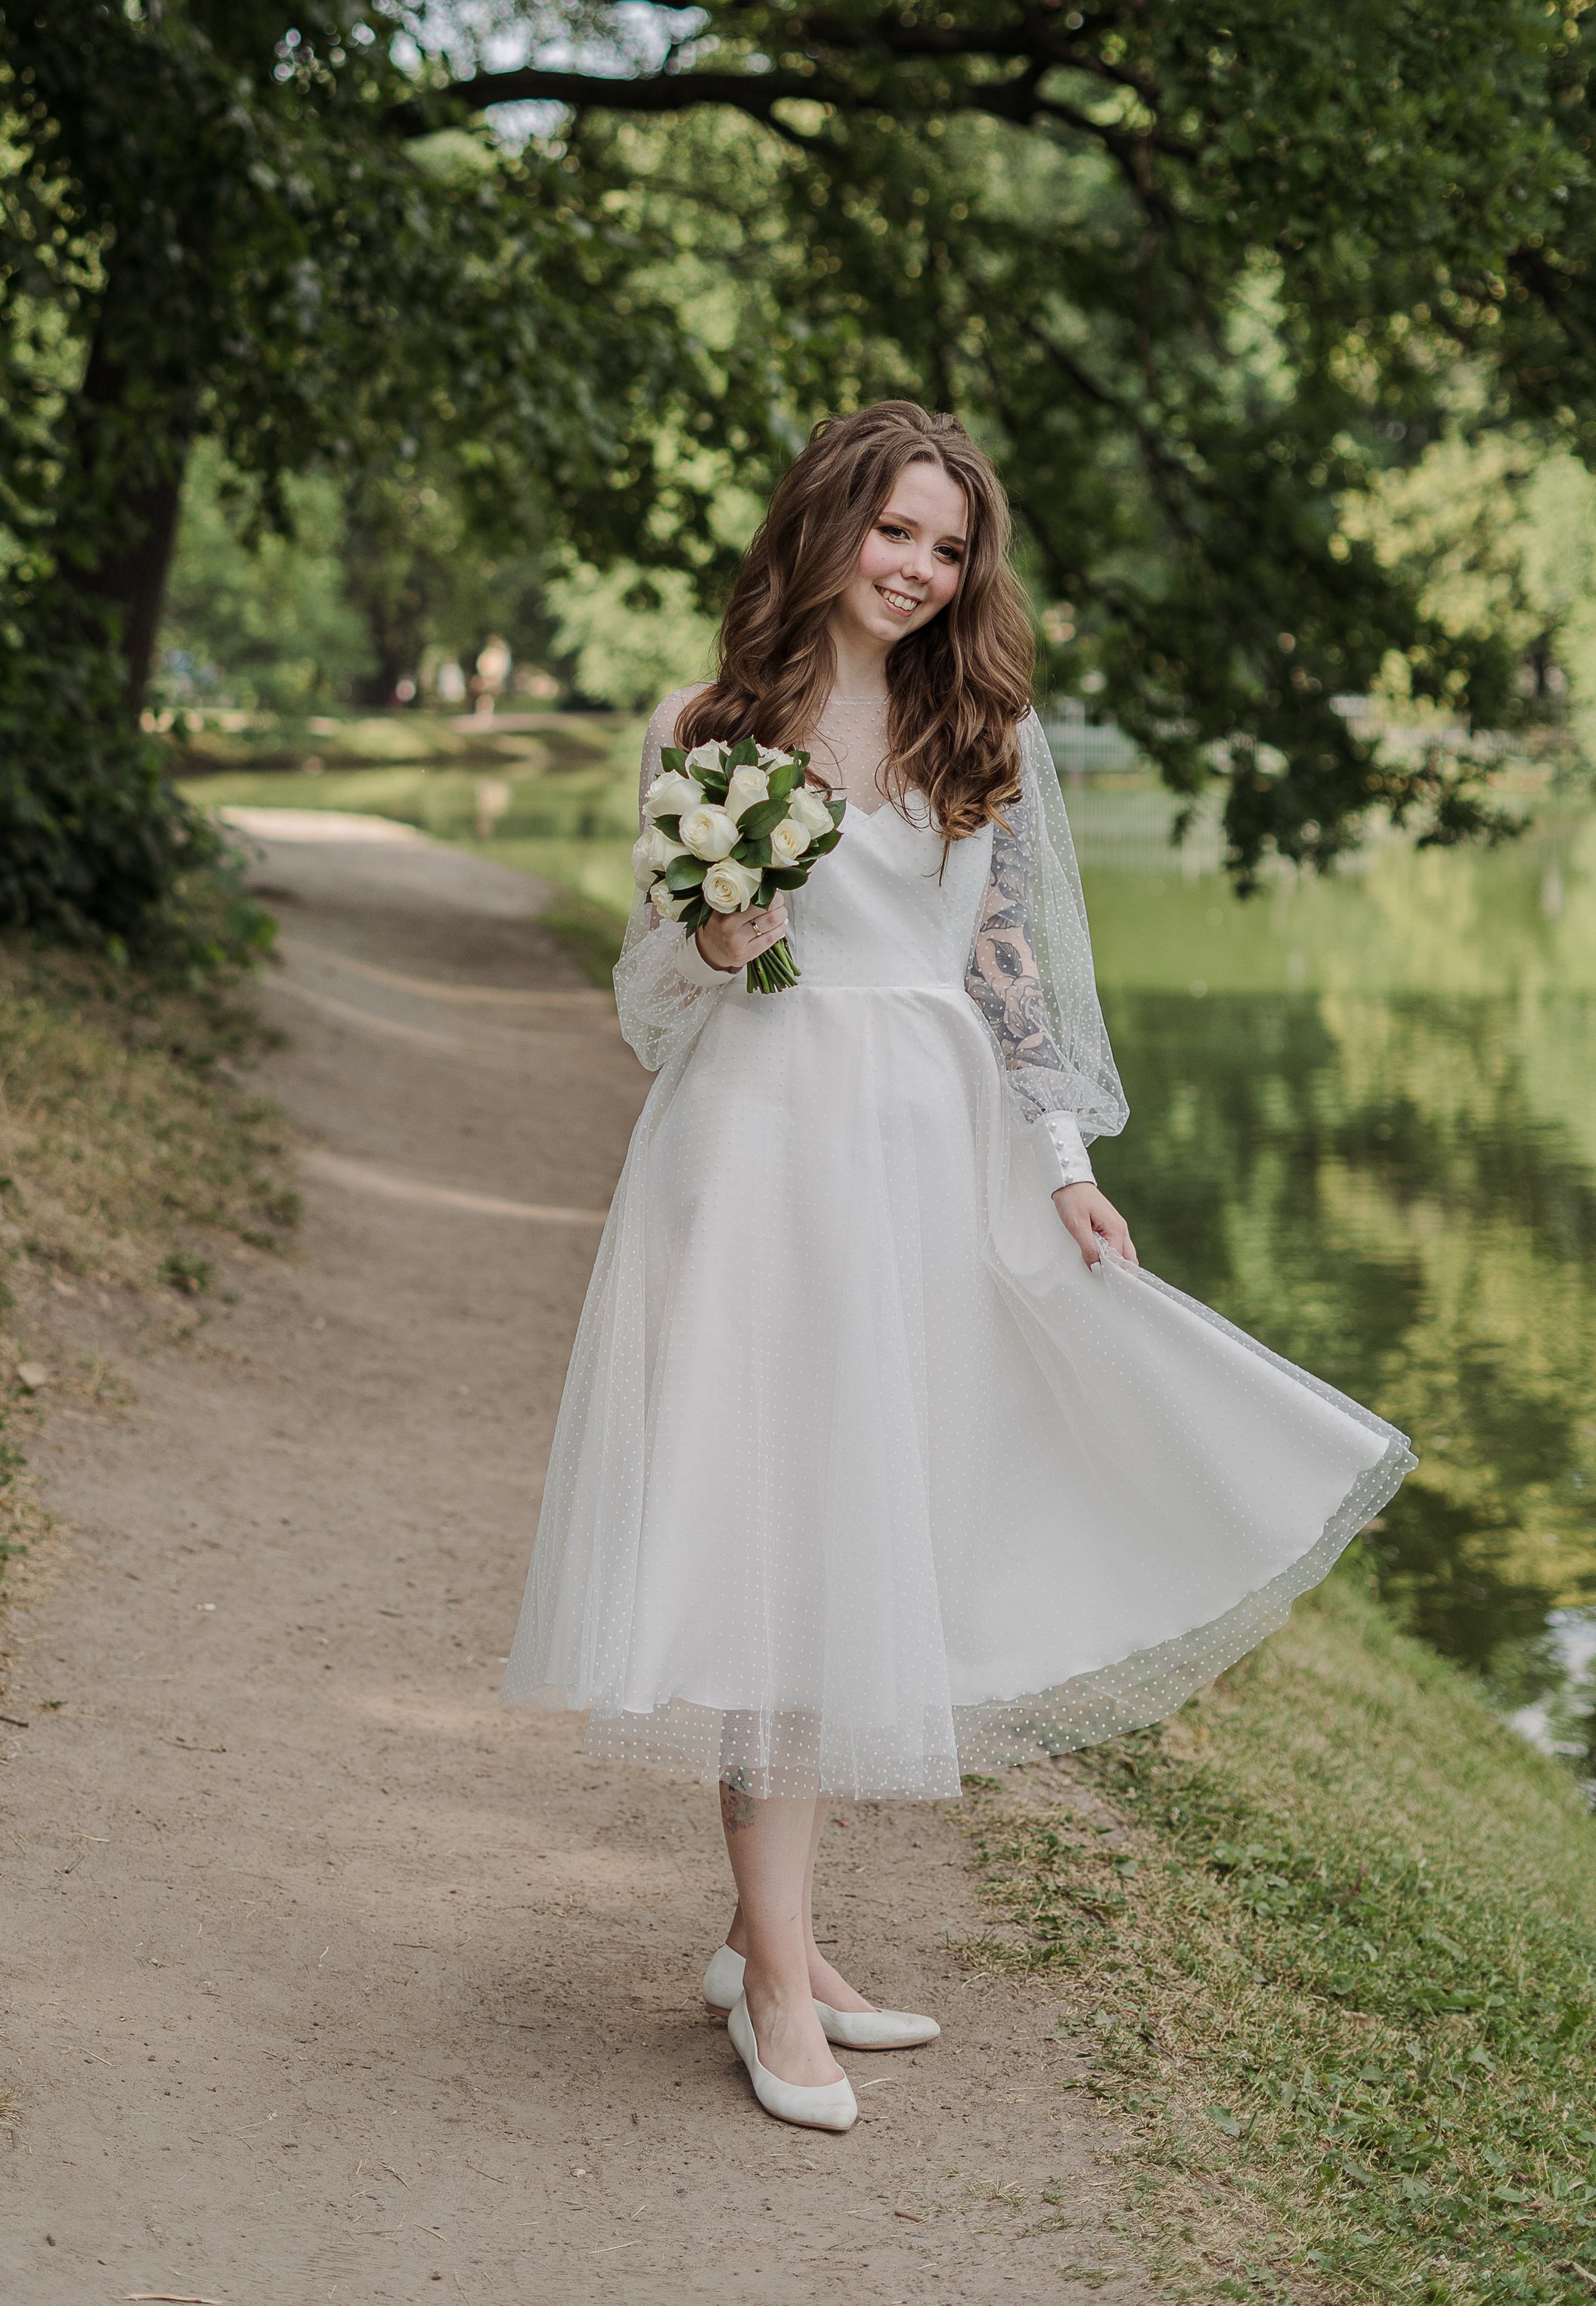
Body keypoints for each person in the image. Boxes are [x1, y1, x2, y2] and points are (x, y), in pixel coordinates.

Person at [501, 401, 1410, 2136]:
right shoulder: (698, 730)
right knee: (772, 1539)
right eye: (892, 532)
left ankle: (766, 1931)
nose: (916, 571)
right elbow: (649, 1007)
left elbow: (1003, 985)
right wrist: (717, 932)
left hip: (919, 1153)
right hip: (755, 1146)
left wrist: (1062, 1169)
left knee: (857, 1533)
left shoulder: (971, 731)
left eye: (945, 547)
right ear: (825, 525)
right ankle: (776, 1980)